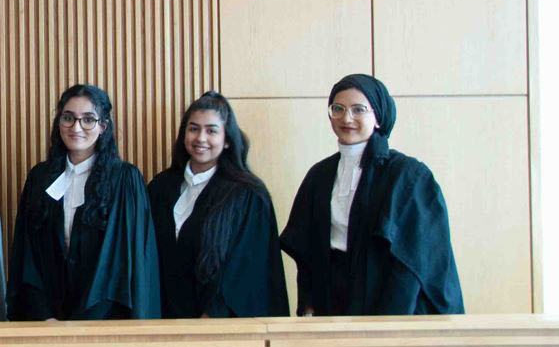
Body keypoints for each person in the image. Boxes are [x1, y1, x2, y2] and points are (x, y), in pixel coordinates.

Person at [280, 73, 464, 316]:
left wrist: (390, 323)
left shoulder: (408, 176)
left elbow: (412, 261)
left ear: (378, 116)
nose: (347, 118)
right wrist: (309, 302)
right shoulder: (320, 175)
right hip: (333, 297)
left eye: (358, 110)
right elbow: (307, 250)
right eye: (338, 108)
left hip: (391, 300)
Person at [7, 84, 160, 320]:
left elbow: (122, 264)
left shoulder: (124, 180)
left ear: (103, 126)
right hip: (48, 321)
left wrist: (86, 325)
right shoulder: (40, 178)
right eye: (68, 118)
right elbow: (27, 255)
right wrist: (45, 317)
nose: (76, 127)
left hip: (105, 322)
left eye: (88, 119)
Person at [147, 92, 288, 319]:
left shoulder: (248, 195)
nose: (200, 138)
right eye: (193, 129)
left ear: (227, 140)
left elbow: (248, 268)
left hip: (219, 325)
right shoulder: (160, 188)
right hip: (163, 320)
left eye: (211, 130)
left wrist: (213, 318)